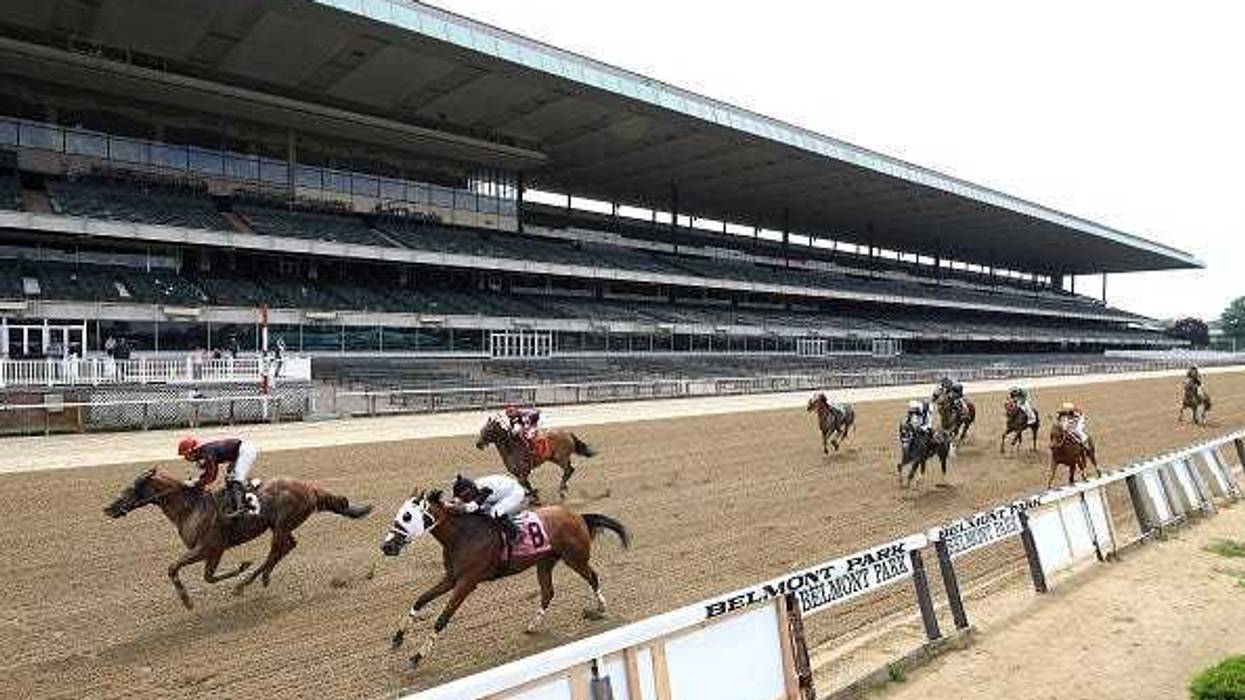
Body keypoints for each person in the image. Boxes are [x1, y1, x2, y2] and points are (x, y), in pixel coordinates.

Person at [178, 436, 262, 517]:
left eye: (186, 455)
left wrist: (196, 482)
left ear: (193, 451)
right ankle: (240, 496)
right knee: (229, 479)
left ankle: (242, 507)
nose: (186, 458)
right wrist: (198, 480)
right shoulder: (205, 452)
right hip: (238, 453)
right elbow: (208, 472)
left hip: (245, 451)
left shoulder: (207, 452)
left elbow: (212, 475)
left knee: (236, 479)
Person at [450, 473, 526, 543]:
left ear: (469, 491)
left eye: (465, 497)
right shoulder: (473, 487)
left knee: (495, 512)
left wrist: (459, 507)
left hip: (514, 493)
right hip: (502, 491)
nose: (465, 500)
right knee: (483, 509)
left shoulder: (484, 489)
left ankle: (516, 533)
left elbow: (472, 507)